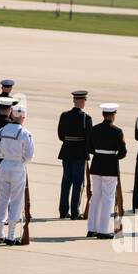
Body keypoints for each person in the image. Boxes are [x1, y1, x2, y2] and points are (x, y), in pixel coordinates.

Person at [0, 104, 34, 245]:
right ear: (22, 117)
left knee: (2, 198)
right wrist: (19, 160)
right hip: (17, 167)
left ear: (12, 115)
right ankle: (10, 236)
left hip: (4, 165)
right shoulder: (25, 133)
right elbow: (29, 155)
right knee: (16, 200)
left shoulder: (2, 130)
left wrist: (6, 156)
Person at [86, 103, 127, 239]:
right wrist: (112, 156)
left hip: (97, 165)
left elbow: (89, 148)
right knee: (107, 199)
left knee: (95, 197)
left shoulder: (95, 129)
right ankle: (103, 230)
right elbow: (122, 152)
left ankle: (92, 228)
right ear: (113, 115)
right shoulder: (117, 131)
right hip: (110, 166)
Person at [57, 90, 92, 219]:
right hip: (79, 153)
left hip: (66, 150)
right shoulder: (86, 118)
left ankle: (63, 211)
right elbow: (88, 138)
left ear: (74, 100)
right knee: (78, 183)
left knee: (66, 181)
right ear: (82, 101)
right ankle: (75, 212)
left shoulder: (64, 115)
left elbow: (61, 135)